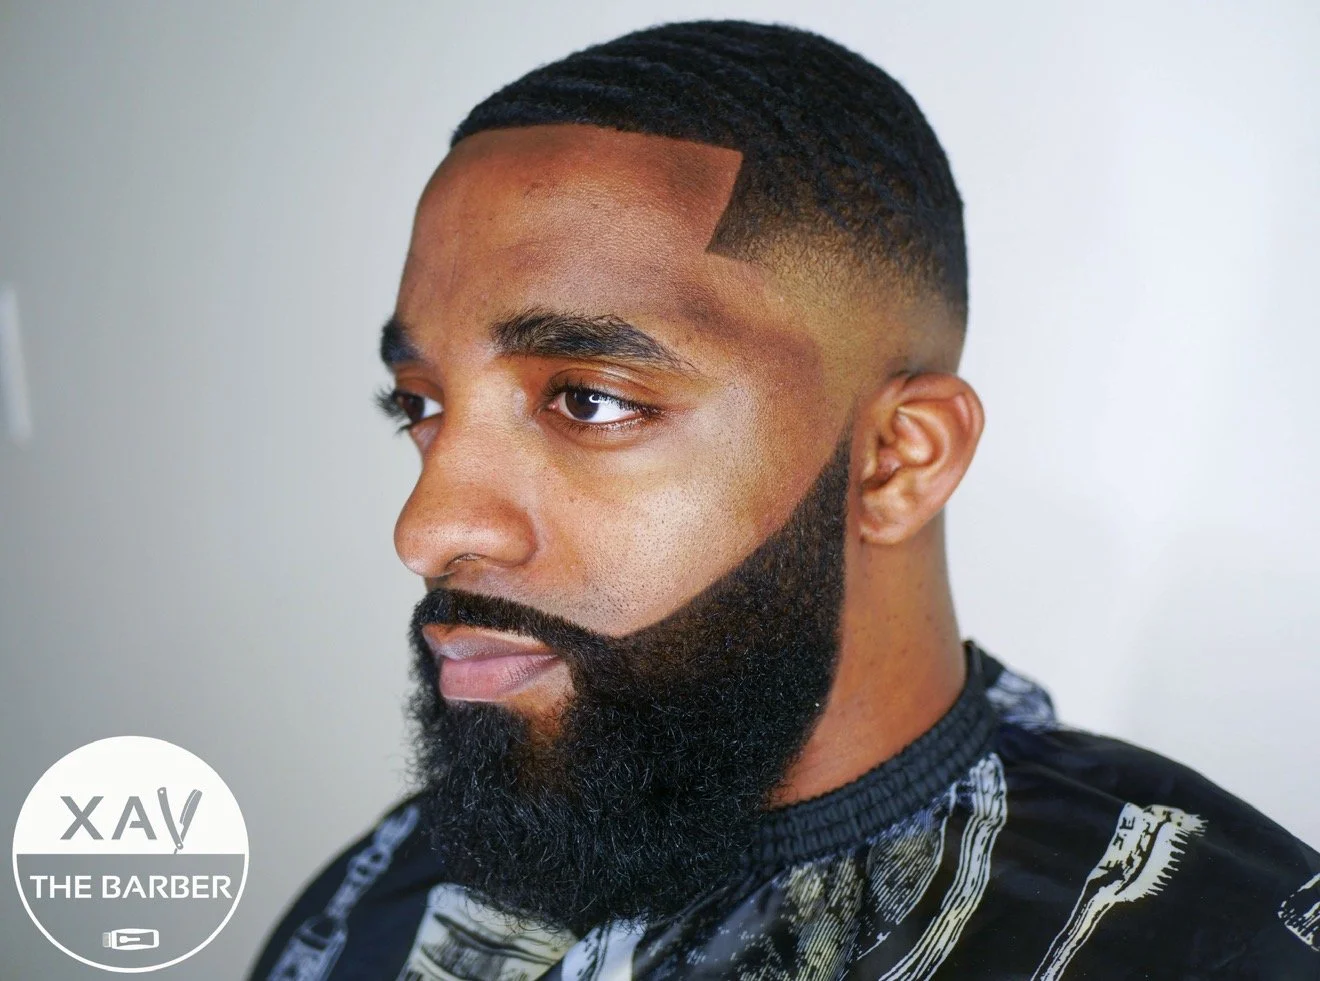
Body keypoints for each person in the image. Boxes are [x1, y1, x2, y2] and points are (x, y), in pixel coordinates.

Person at [249, 20, 1320, 981]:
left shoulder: (1212, 943)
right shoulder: (376, 906)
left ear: (898, 459)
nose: (427, 529)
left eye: (588, 399)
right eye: (421, 405)